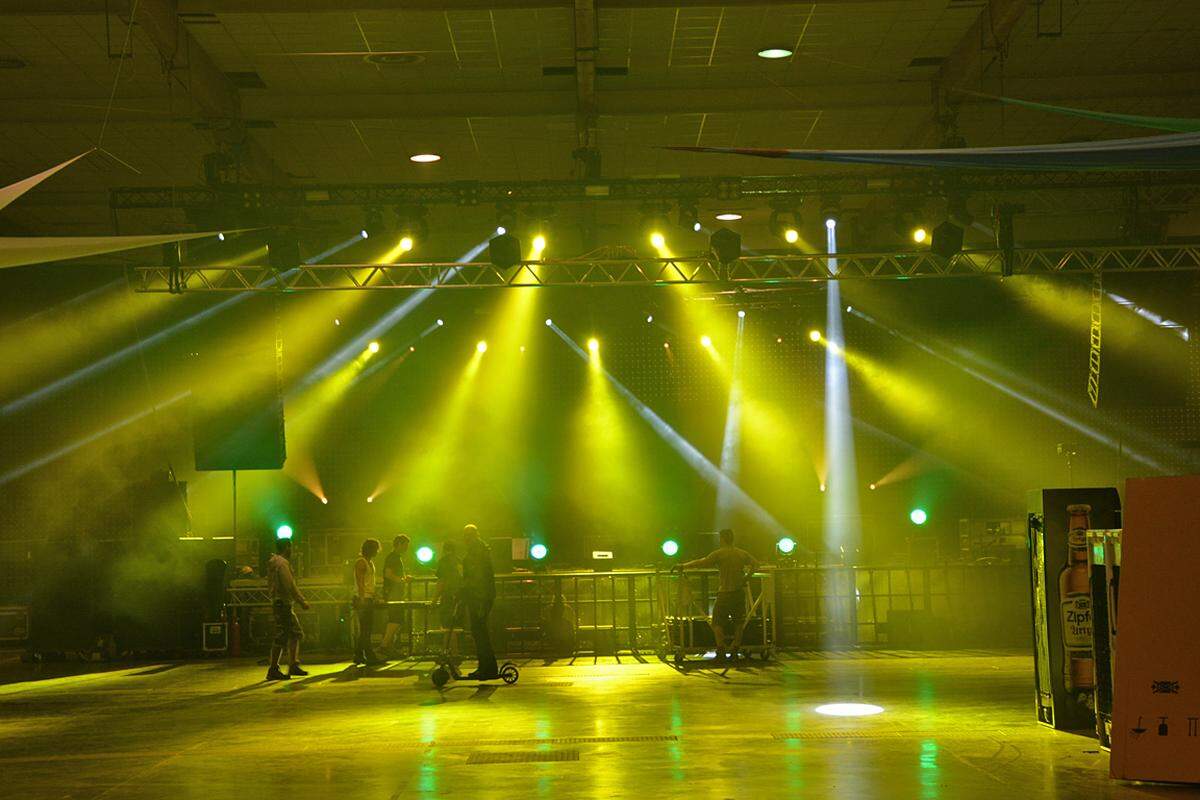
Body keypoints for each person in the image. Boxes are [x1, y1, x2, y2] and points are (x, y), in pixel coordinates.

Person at [681, 528, 759, 660]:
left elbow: (702, 562)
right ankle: (735, 649)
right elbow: (756, 564)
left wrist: (683, 565)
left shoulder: (719, 554)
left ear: (722, 539)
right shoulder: (741, 553)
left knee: (717, 622)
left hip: (724, 592)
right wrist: (746, 578)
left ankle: (721, 649)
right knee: (738, 623)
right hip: (738, 592)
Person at [266, 537, 310, 681]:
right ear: (286, 547)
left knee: (293, 633)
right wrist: (301, 601)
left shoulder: (274, 562)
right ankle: (274, 668)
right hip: (283, 604)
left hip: (279, 603)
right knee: (283, 635)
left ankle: (292, 665)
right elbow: (289, 585)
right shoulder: (283, 563)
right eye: (290, 547)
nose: (292, 550)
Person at [460, 524, 498, 680]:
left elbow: (477, 575)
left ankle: (486, 668)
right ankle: (487, 667)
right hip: (482, 596)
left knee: (479, 632)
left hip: (479, 597)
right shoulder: (481, 547)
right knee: (481, 632)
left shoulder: (475, 550)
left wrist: (465, 588)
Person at [353, 538, 386, 666]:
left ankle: (359, 655)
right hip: (363, 598)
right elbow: (360, 583)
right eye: (376, 549)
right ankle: (369, 655)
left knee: (366, 629)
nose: (377, 552)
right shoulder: (361, 562)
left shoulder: (370, 563)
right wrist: (361, 599)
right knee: (366, 629)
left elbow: (369, 583)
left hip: (368, 598)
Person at [432, 541, 466, 667]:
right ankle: (447, 652)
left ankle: (452, 654)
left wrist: (434, 599)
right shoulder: (459, 560)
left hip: (448, 596)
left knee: (447, 625)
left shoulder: (444, 561)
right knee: (452, 626)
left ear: (444, 550)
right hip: (459, 596)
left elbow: (441, 581)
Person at [379, 534, 413, 656]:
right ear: (399, 544)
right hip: (393, 594)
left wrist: (403, 578)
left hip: (395, 593)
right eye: (405, 545)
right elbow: (388, 574)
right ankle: (384, 645)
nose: (407, 548)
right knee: (396, 619)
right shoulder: (393, 557)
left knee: (396, 619)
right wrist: (403, 580)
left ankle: (388, 646)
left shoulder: (395, 557)